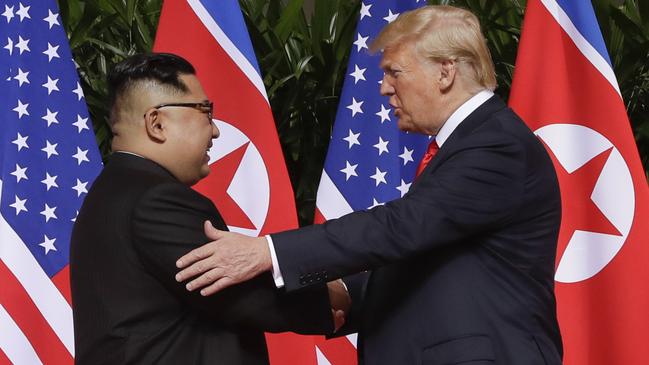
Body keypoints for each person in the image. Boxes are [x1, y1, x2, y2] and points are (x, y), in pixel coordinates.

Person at [175, 5, 563, 365]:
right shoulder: (466, 145)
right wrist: (344, 295)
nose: (383, 88)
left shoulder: (497, 144)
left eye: (395, 71)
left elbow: (401, 226)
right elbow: (429, 258)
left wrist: (268, 252)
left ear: (446, 72)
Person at [69, 53, 347, 365]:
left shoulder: (113, 190)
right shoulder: (155, 198)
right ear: (156, 123)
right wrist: (338, 298)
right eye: (205, 111)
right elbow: (239, 294)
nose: (215, 131)